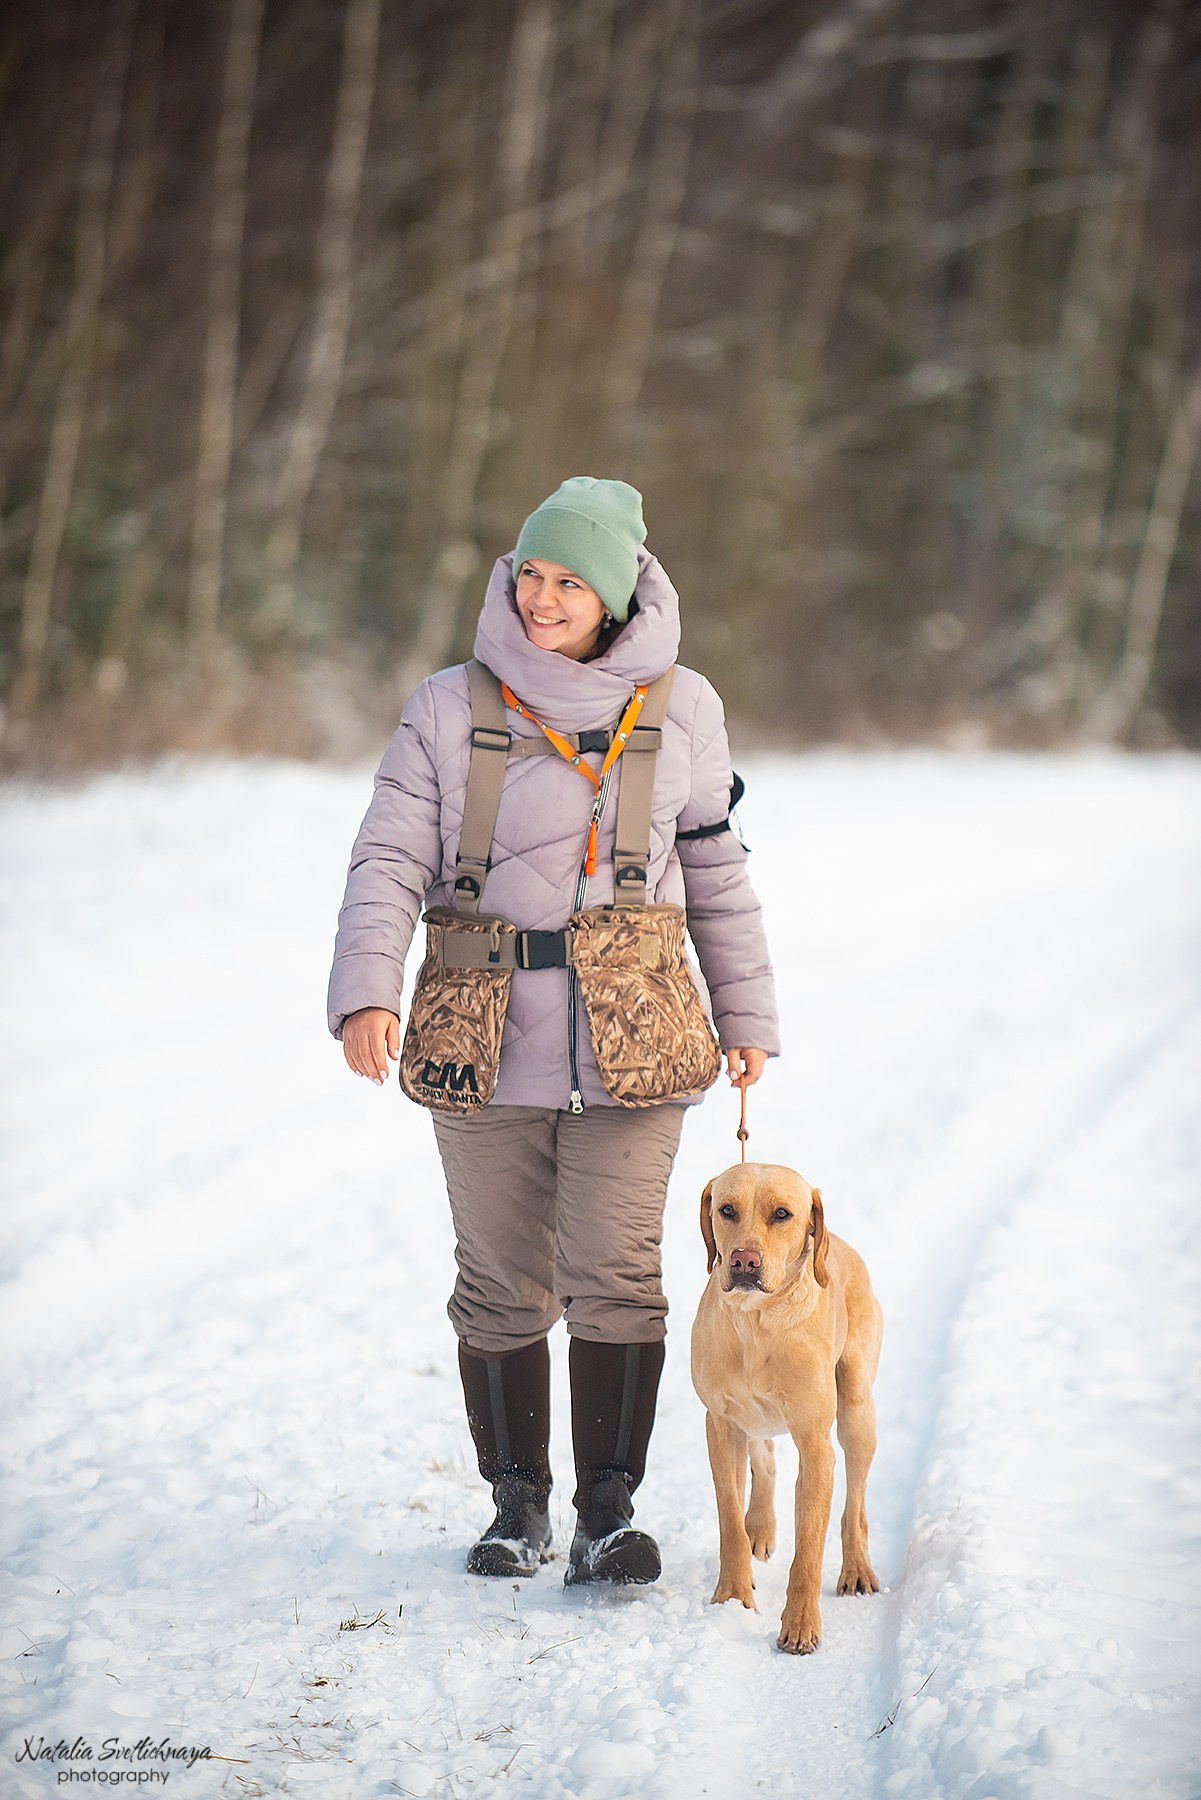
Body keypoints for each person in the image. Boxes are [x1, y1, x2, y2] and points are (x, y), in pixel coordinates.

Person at [327, 476, 779, 1587]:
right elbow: (387, 857)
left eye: (569, 579)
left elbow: (716, 871)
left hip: (641, 1036)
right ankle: (515, 1509)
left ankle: (608, 1516)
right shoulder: (444, 706)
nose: (540, 595)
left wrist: (748, 1014)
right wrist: (366, 991)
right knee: (497, 1283)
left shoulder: (687, 708)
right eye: (529, 571)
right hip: (476, 1037)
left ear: (617, 592)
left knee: (618, 1276)